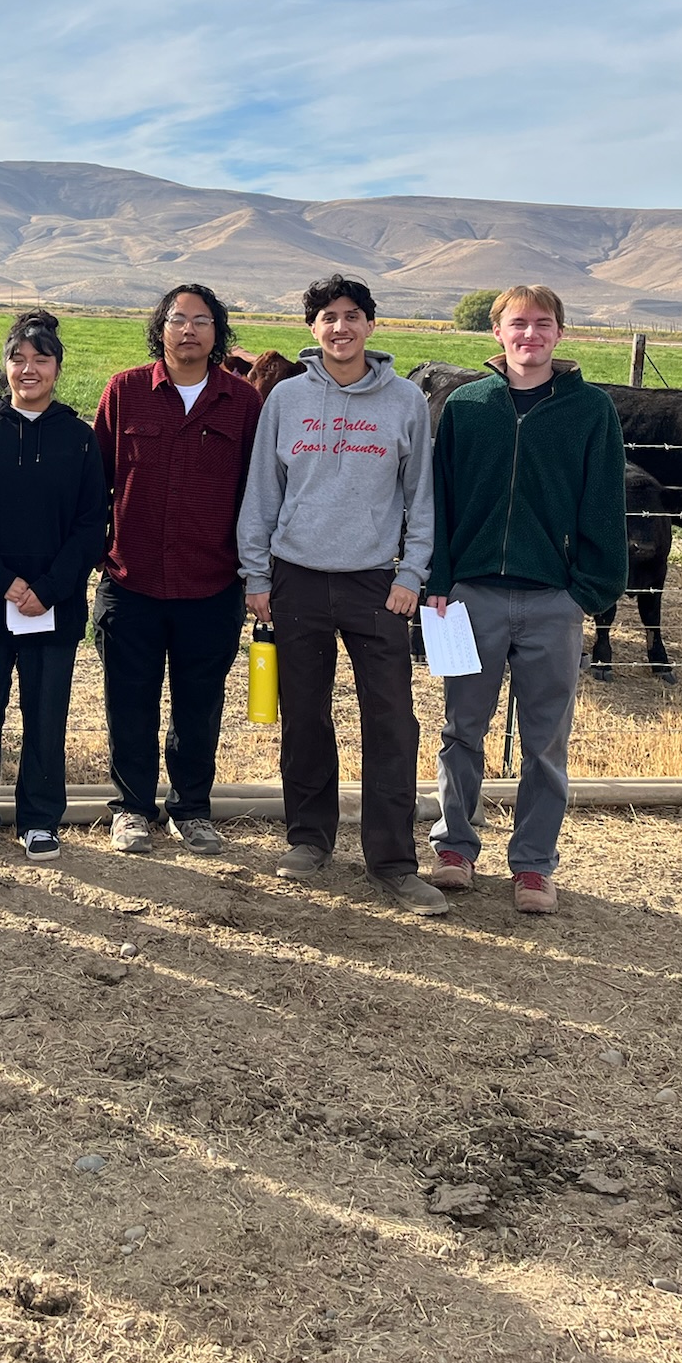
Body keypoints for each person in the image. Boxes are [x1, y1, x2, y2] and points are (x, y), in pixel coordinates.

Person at [237, 276, 446, 914]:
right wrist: (258, 575)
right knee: (303, 716)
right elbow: (263, 491)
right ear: (312, 328)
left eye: (353, 316)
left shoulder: (406, 400)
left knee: (392, 722)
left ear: (371, 326)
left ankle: (393, 860)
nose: (340, 328)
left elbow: (420, 496)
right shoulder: (288, 399)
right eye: (328, 317)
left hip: (375, 584)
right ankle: (309, 838)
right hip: (296, 577)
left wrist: (411, 574)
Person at [426, 285, 626, 914]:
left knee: (545, 739)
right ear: (497, 333)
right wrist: (440, 582)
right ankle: (454, 847)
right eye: (518, 324)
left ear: (560, 334)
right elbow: (439, 500)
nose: (529, 335)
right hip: (469, 600)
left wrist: (588, 592)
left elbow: (604, 505)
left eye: (543, 324)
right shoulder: (466, 406)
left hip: (552, 603)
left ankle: (534, 865)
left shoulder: (591, 411)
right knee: (461, 729)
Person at [93, 283, 260, 856]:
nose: (189, 329)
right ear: (159, 328)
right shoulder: (126, 391)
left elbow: (257, 491)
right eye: (177, 319)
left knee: (199, 702)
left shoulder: (241, 401)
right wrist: (102, 553)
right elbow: (97, 481)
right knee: (128, 698)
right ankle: (132, 809)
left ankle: (191, 809)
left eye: (202, 320)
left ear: (219, 332)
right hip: (130, 580)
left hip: (211, 582)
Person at [0, 311, 107, 863]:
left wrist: (49, 588)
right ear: (5, 365)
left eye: (41, 359)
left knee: (45, 714)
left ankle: (40, 819)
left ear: (58, 368)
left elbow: (91, 526)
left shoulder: (79, 439)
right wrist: (10, 585)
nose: (28, 369)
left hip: (53, 607)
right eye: (18, 359)